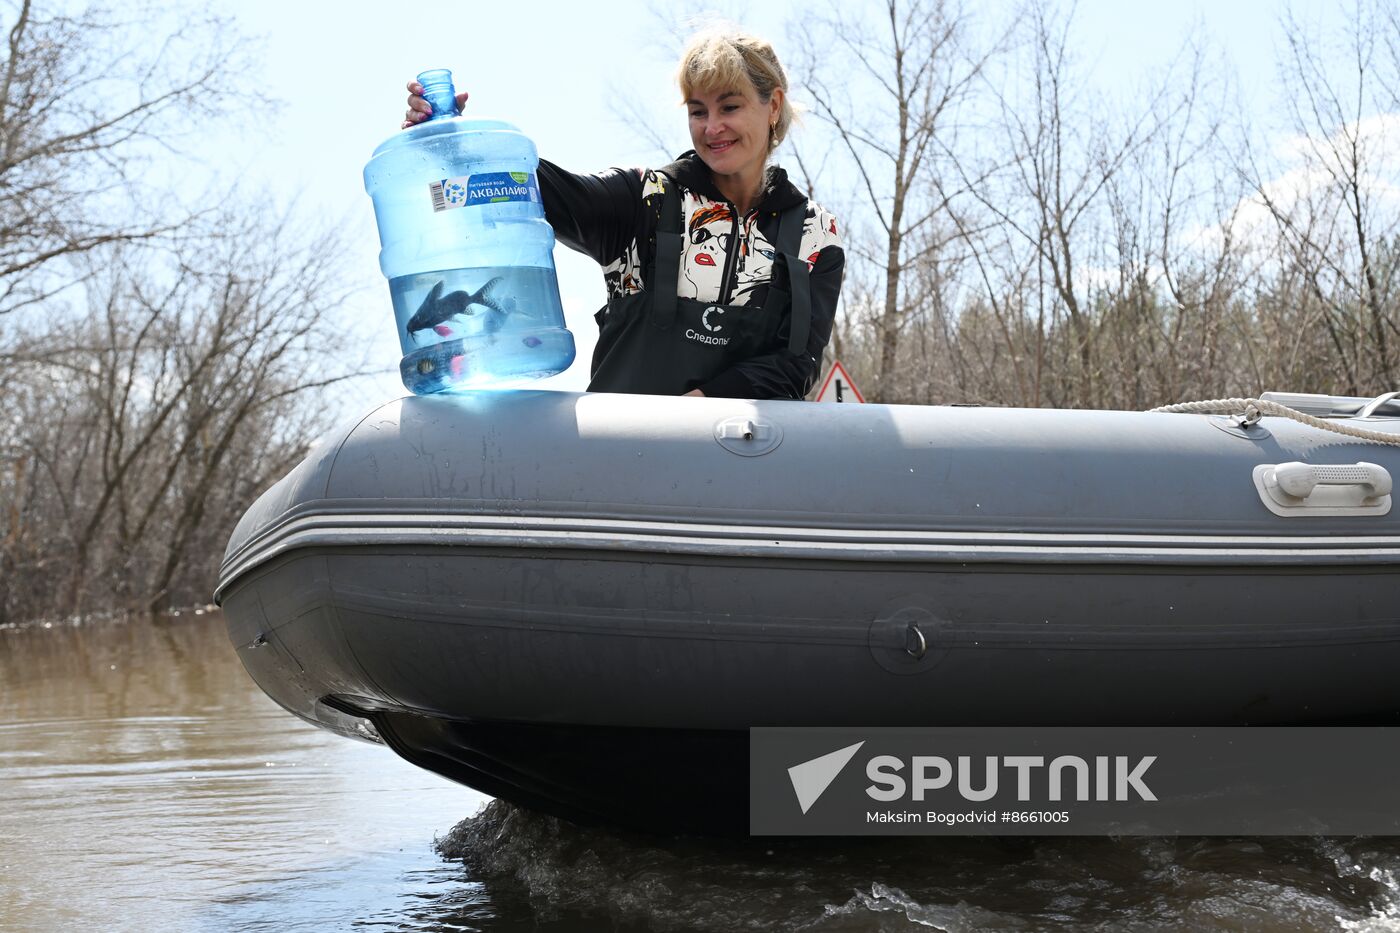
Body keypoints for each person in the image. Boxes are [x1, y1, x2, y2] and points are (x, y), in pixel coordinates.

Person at [402, 27, 845, 399]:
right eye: (698, 111)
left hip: (737, 481)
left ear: (772, 105)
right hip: (615, 476)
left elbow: (797, 365)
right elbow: (541, 190)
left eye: (730, 107)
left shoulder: (813, 236)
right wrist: (460, 144)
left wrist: (703, 409)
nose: (712, 128)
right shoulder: (644, 200)